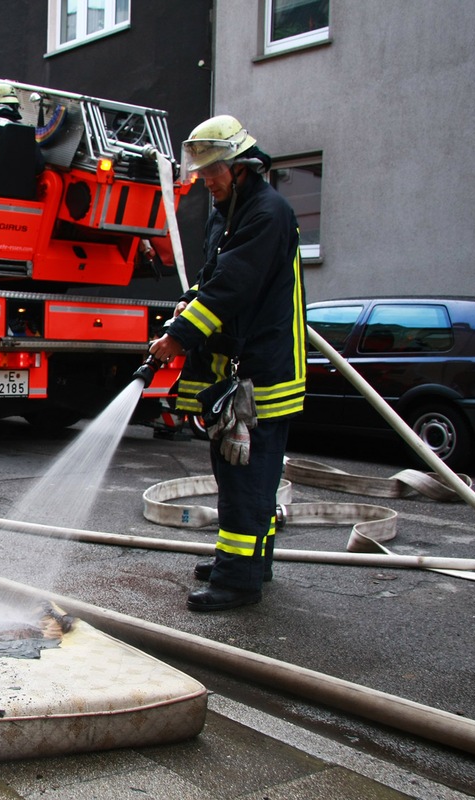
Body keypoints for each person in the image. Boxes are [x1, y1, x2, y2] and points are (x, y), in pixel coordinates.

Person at [146, 115, 305, 612]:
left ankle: (239, 580)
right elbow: (213, 278)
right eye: (202, 171)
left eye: (215, 170)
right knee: (235, 472)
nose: (206, 180)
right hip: (237, 370)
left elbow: (234, 286)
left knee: (249, 477)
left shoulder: (267, 212)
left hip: (264, 372)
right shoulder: (227, 212)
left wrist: (178, 338)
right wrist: (185, 307)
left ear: (243, 167)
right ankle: (247, 560)